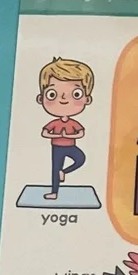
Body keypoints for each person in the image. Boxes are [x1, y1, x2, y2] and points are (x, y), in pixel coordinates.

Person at [37, 56, 94, 199]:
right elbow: (44, 132)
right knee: (55, 168)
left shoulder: (72, 122)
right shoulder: (55, 123)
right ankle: (54, 192)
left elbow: (81, 133)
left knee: (80, 159)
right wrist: (57, 135)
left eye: (76, 94)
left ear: (87, 99)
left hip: (70, 146)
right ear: (41, 98)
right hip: (57, 147)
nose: (63, 99)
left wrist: (68, 136)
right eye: (52, 94)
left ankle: (65, 172)